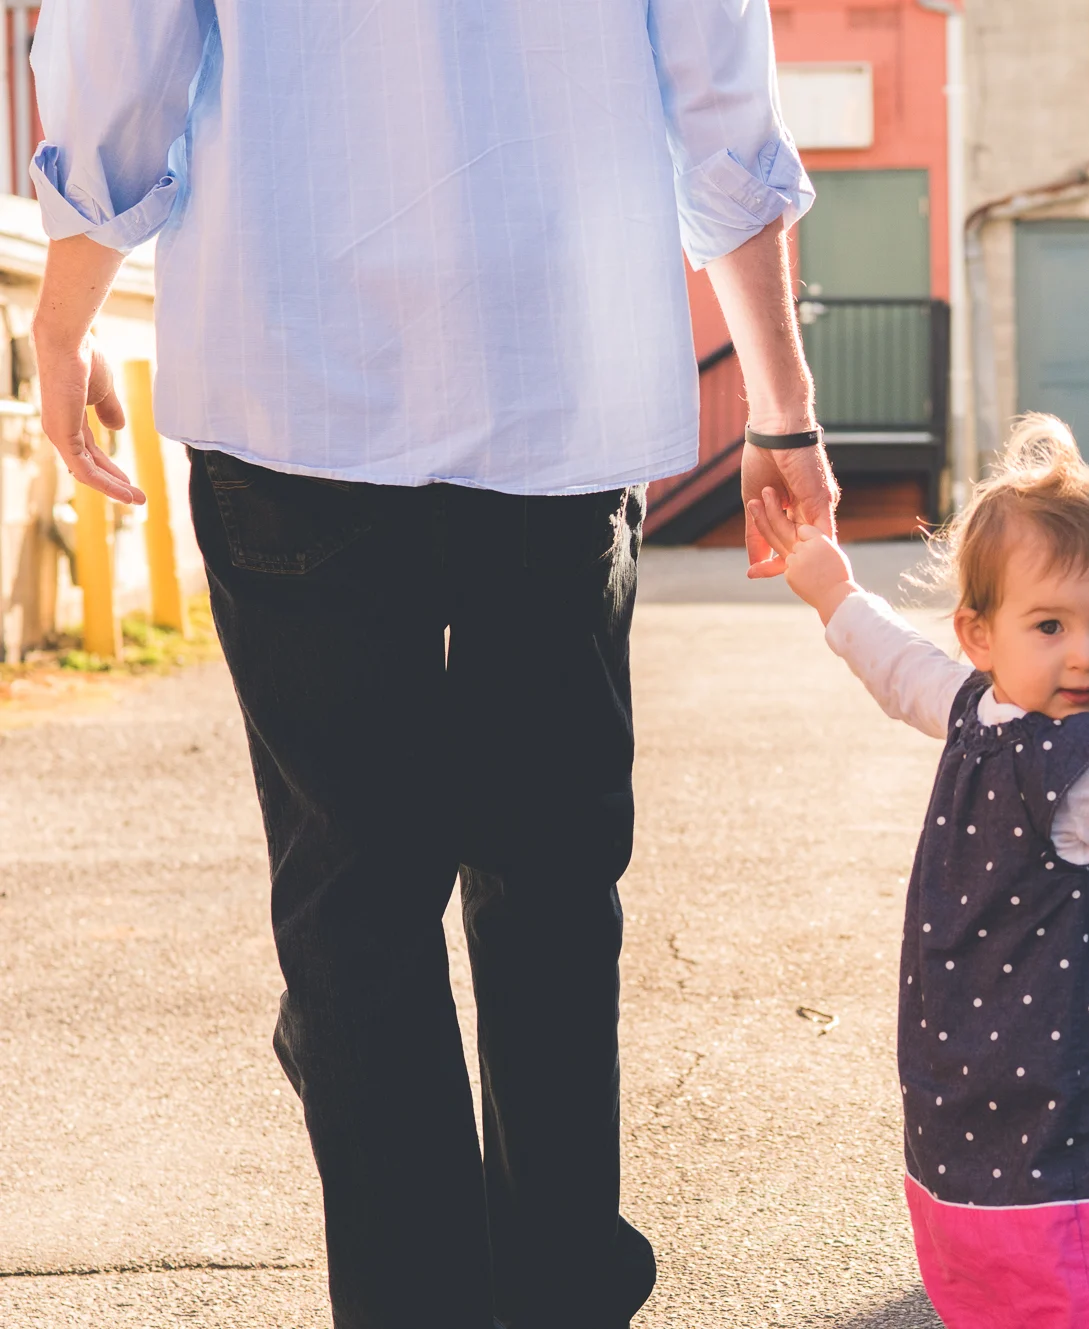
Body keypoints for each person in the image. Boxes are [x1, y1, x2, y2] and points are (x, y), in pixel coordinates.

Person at [28, 2, 834, 1325]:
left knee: (357, 910)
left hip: (295, 380)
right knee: (552, 887)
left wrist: (68, 309)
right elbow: (721, 97)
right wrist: (782, 406)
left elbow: (120, 48)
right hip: (558, 386)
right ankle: (561, 1291)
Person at [748, 415, 1089, 1329]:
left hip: (962, 1145)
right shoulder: (1088, 767)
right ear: (980, 633)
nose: (1085, 653)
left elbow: (893, 664)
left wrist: (831, 587)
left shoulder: (972, 712)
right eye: (1051, 624)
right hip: (1076, 1146)